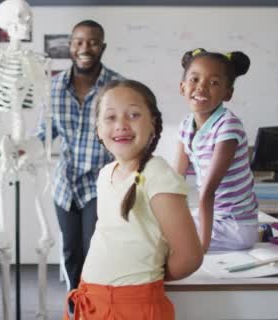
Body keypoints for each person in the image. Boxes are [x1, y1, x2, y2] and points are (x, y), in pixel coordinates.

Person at [66, 79, 203, 319]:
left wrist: (146, 280)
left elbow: (189, 256)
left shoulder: (158, 174)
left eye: (133, 115)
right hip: (91, 300)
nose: (121, 125)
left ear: (153, 123)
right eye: (110, 118)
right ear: (97, 128)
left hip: (133, 306)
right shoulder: (106, 174)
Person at [34, 19, 123, 293]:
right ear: (71, 46)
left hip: (101, 184)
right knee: (71, 252)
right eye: (79, 42)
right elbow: (43, 134)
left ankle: (96, 302)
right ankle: (77, 305)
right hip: (66, 185)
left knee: (94, 249)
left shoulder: (118, 87)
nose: (85, 48)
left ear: (102, 47)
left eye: (93, 42)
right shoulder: (54, 87)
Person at [175, 48, 258, 252]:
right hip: (214, 217)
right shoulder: (186, 125)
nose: (201, 88)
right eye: (194, 79)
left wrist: (201, 247)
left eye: (214, 83)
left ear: (227, 93)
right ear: (182, 87)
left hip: (235, 226)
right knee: (156, 229)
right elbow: (175, 181)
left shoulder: (228, 126)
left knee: (169, 239)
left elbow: (207, 193)